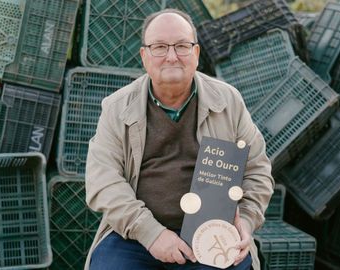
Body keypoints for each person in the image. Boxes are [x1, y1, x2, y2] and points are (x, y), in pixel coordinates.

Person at [85, 8, 274, 270]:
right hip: (137, 237)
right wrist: (152, 234)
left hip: (212, 234)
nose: (172, 56)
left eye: (182, 46)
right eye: (160, 47)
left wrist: (247, 221)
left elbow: (257, 170)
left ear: (196, 53)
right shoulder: (117, 108)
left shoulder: (228, 101)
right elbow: (102, 181)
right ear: (144, 56)